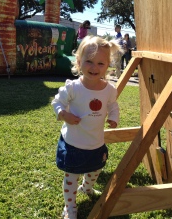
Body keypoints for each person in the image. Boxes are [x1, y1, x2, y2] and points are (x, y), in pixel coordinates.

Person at [52, 36, 123, 219]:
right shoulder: (73, 87)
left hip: (96, 142)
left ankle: (87, 187)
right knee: (71, 176)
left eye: (100, 63)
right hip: (73, 142)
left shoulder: (109, 90)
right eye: (89, 61)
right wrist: (63, 114)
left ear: (108, 65)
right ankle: (70, 207)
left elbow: (113, 105)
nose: (94, 67)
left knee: (96, 169)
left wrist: (114, 117)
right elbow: (57, 102)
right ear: (79, 61)